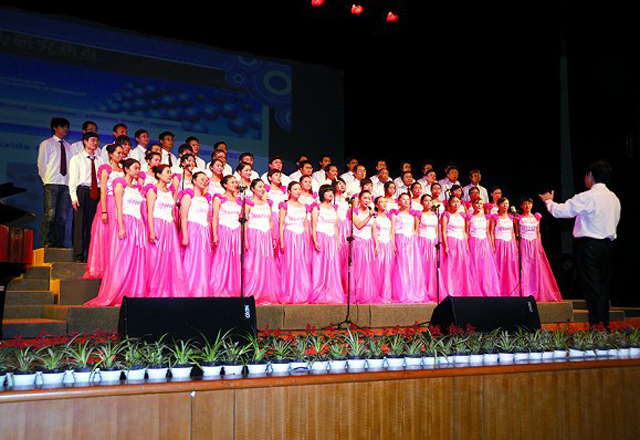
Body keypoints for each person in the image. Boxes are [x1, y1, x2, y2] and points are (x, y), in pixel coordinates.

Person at [539, 160, 620, 325]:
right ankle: (602, 326)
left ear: (590, 175)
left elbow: (563, 211)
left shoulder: (587, 196)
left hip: (590, 246)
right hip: (607, 247)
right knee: (602, 287)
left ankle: (598, 327)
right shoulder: (614, 198)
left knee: (592, 287)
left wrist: (549, 201)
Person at [85, 158, 147, 306]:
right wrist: (121, 227)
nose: (138, 171)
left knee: (136, 260)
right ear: (127, 169)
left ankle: (134, 292)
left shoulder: (136, 188)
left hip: (137, 225)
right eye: (135, 168)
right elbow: (118, 208)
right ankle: (118, 292)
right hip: (126, 223)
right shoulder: (120, 184)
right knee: (122, 260)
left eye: (139, 168)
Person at [145, 164, 187, 297]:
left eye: (170, 172)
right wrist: (151, 230)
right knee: (157, 259)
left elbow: (173, 211)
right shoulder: (152, 190)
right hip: (158, 224)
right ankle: (155, 288)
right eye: (167, 172)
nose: (170, 175)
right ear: (158, 175)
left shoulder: (170, 192)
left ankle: (168, 289)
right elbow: (150, 212)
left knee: (170, 259)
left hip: (169, 227)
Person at [83, 143, 124, 279]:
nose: (121, 155)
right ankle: (103, 267)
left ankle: (116, 266)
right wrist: (104, 211)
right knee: (106, 234)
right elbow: (103, 191)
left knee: (117, 234)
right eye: (118, 153)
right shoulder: (106, 169)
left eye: (122, 153)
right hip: (109, 203)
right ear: (111, 154)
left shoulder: (123, 169)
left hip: (121, 204)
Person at [517, 197, 562, 302]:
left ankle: (537, 291)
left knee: (536, 268)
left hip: (534, 243)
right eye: (525, 204)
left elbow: (538, 232)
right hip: (524, 243)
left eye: (529, 203)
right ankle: (526, 292)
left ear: (532, 205)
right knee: (525, 267)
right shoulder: (519, 218)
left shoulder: (536, 217)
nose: (527, 206)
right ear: (521, 206)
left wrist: (539, 245)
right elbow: (517, 233)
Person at [243, 179, 281, 304]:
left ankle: (266, 293)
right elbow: (245, 222)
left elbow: (270, 221)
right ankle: (253, 292)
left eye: (263, 187)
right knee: (254, 263)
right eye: (259, 187)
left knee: (267, 263)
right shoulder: (248, 203)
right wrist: (245, 239)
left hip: (266, 235)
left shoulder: (267, 203)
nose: (262, 189)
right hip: (254, 234)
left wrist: (273, 237)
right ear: (252, 189)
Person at [38, 117, 73, 248]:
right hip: (51, 182)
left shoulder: (69, 147)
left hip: (66, 184)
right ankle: (47, 241)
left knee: (62, 216)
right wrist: (46, 180)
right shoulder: (47, 143)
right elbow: (42, 164)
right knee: (50, 214)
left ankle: (59, 243)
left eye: (67, 127)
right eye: (63, 126)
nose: (65, 129)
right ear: (55, 127)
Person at [68, 132, 103, 263]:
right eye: (92, 140)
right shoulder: (77, 158)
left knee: (92, 225)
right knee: (80, 224)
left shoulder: (100, 160)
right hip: (82, 191)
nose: (95, 143)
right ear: (85, 141)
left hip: (96, 192)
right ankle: (78, 255)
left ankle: (90, 255)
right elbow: (72, 180)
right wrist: (73, 197)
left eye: (96, 140)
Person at [179, 171, 213, 298]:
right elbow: (183, 217)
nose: (204, 181)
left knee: (202, 261)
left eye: (205, 179)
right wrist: (185, 235)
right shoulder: (188, 196)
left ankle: (201, 290)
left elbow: (208, 218)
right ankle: (189, 290)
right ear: (194, 180)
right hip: (193, 230)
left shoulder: (205, 199)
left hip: (204, 232)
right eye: (201, 179)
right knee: (191, 260)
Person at [310, 185, 345, 304]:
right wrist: (315, 239)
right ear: (322, 194)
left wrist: (338, 241)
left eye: (332, 192)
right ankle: (319, 291)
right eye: (327, 192)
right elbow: (313, 225)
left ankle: (331, 291)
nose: (330, 194)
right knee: (320, 264)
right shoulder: (317, 207)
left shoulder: (334, 209)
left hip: (331, 238)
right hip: (321, 236)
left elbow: (336, 226)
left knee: (332, 265)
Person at [279, 181, 312, 304]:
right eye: (295, 189)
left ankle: (301, 291)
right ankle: (290, 291)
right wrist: (282, 241)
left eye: (299, 189)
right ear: (289, 191)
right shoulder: (285, 205)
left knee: (301, 264)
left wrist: (307, 240)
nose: (298, 191)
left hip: (301, 236)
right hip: (290, 235)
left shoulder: (304, 206)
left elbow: (305, 225)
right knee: (290, 263)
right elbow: (281, 224)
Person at [210, 175, 243, 297]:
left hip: (236, 231)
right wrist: (215, 234)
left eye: (235, 182)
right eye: (232, 182)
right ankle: (219, 287)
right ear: (225, 185)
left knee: (234, 260)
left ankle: (232, 288)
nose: (235, 184)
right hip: (224, 230)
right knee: (222, 258)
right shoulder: (219, 198)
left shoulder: (239, 200)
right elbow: (215, 217)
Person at [391, 193, 426, 303]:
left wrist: (415, 241)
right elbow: (392, 229)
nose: (406, 201)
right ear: (399, 201)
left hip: (411, 241)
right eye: (403, 199)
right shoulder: (395, 214)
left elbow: (415, 229)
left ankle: (412, 291)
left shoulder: (413, 214)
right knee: (402, 266)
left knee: (411, 266)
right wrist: (393, 244)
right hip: (400, 240)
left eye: (408, 199)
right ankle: (403, 292)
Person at [439, 195, 474, 297]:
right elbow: (443, 231)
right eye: (453, 201)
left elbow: (464, 232)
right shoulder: (446, 215)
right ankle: (451, 290)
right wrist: (446, 246)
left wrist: (466, 245)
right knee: (451, 266)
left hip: (461, 242)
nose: (455, 204)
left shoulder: (462, 215)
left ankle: (461, 290)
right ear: (449, 203)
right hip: (451, 241)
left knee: (461, 266)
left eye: (457, 201)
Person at [467, 197, 501, 296]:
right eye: (477, 203)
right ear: (473, 205)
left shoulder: (486, 217)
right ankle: (475, 289)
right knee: (474, 265)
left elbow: (489, 232)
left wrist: (492, 245)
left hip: (484, 242)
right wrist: (467, 246)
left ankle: (486, 288)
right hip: (473, 241)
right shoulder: (469, 217)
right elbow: (467, 232)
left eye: (481, 203)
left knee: (485, 266)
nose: (479, 205)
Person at [350, 190, 379, 303]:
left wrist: (377, 244)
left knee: (368, 268)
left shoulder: (372, 213)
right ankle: (357, 293)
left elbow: (374, 230)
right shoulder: (354, 212)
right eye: (365, 198)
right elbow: (359, 225)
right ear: (359, 199)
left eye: (369, 198)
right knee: (359, 268)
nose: (367, 200)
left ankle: (367, 293)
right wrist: (369, 216)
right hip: (358, 243)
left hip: (369, 243)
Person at [490, 197, 519, 297]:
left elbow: (513, 232)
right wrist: (493, 245)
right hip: (499, 243)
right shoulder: (495, 217)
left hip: (510, 243)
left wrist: (515, 245)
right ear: (498, 205)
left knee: (510, 267)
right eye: (502, 203)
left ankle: (510, 290)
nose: (505, 205)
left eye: (506, 203)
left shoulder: (511, 217)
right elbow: (491, 232)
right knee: (500, 266)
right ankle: (499, 290)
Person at [417, 194, 439, 301]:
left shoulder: (435, 215)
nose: (428, 202)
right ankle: (423, 290)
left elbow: (436, 230)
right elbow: (416, 229)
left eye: (430, 200)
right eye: (426, 200)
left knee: (432, 266)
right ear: (421, 203)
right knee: (424, 265)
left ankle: (432, 290)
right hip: (423, 241)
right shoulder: (419, 214)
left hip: (433, 242)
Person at [374, 196, 395, 303]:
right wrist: (377, 245)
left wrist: (393, 246)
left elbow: (391, 233)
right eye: (381, 202)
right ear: (376, 205)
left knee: (387, 270)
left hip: (388, 245)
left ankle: (385, 294)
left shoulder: (388, 218)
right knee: (378, 269)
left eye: (385, 201)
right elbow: (373, 232)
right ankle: (376, 293)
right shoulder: (375, 217)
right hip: (379, 244)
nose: (384, 203)